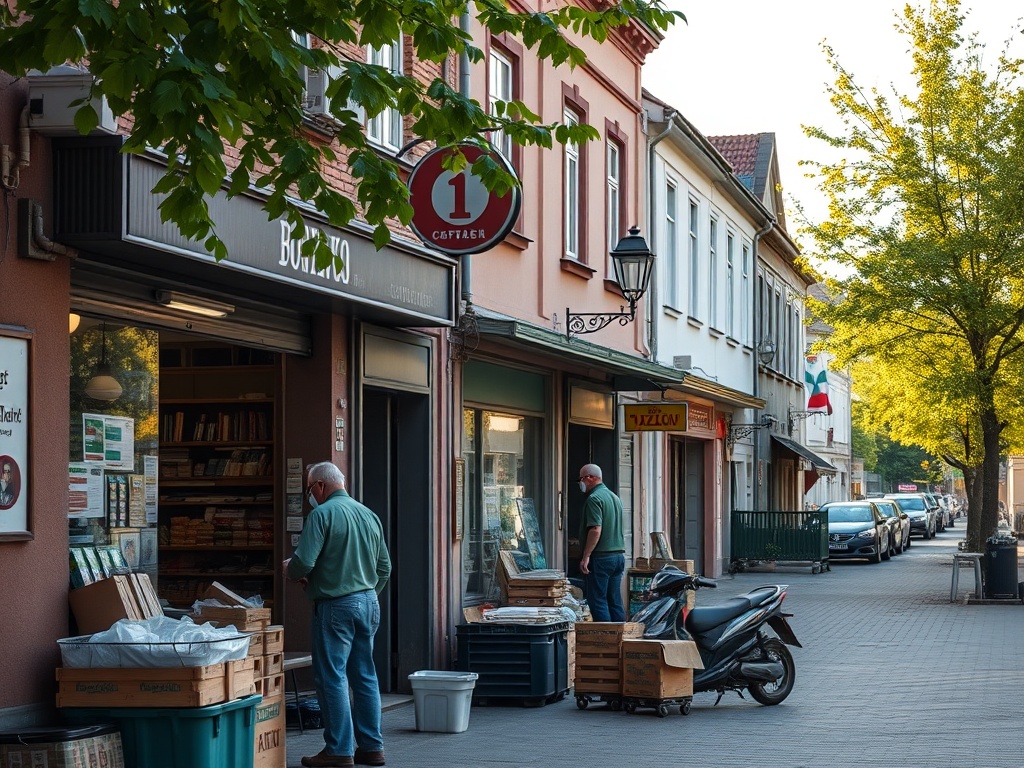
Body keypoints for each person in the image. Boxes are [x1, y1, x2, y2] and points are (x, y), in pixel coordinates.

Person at [284, 461, 392, 768]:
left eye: (309, 489)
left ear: (320, 486)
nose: (310, 496)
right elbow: (384, 568)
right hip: (368, 602)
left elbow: (304, 562)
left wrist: (290, 570)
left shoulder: (321, 515)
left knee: (332, 677)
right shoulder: (369, 514)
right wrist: (366, 594)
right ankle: (372, 747)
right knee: (365, 675)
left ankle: (339, 750)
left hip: (335, 606)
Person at [577, 463, 626, 622]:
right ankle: (621, 634)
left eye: (581, 479)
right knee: (614, 600)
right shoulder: (615, 497)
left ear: (590, 478)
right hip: (618, 556)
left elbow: (595, 529)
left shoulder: (594, 499)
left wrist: (586, 556)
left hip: (601, 557)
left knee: (598, 601)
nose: (581, 483)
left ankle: (604, 636)